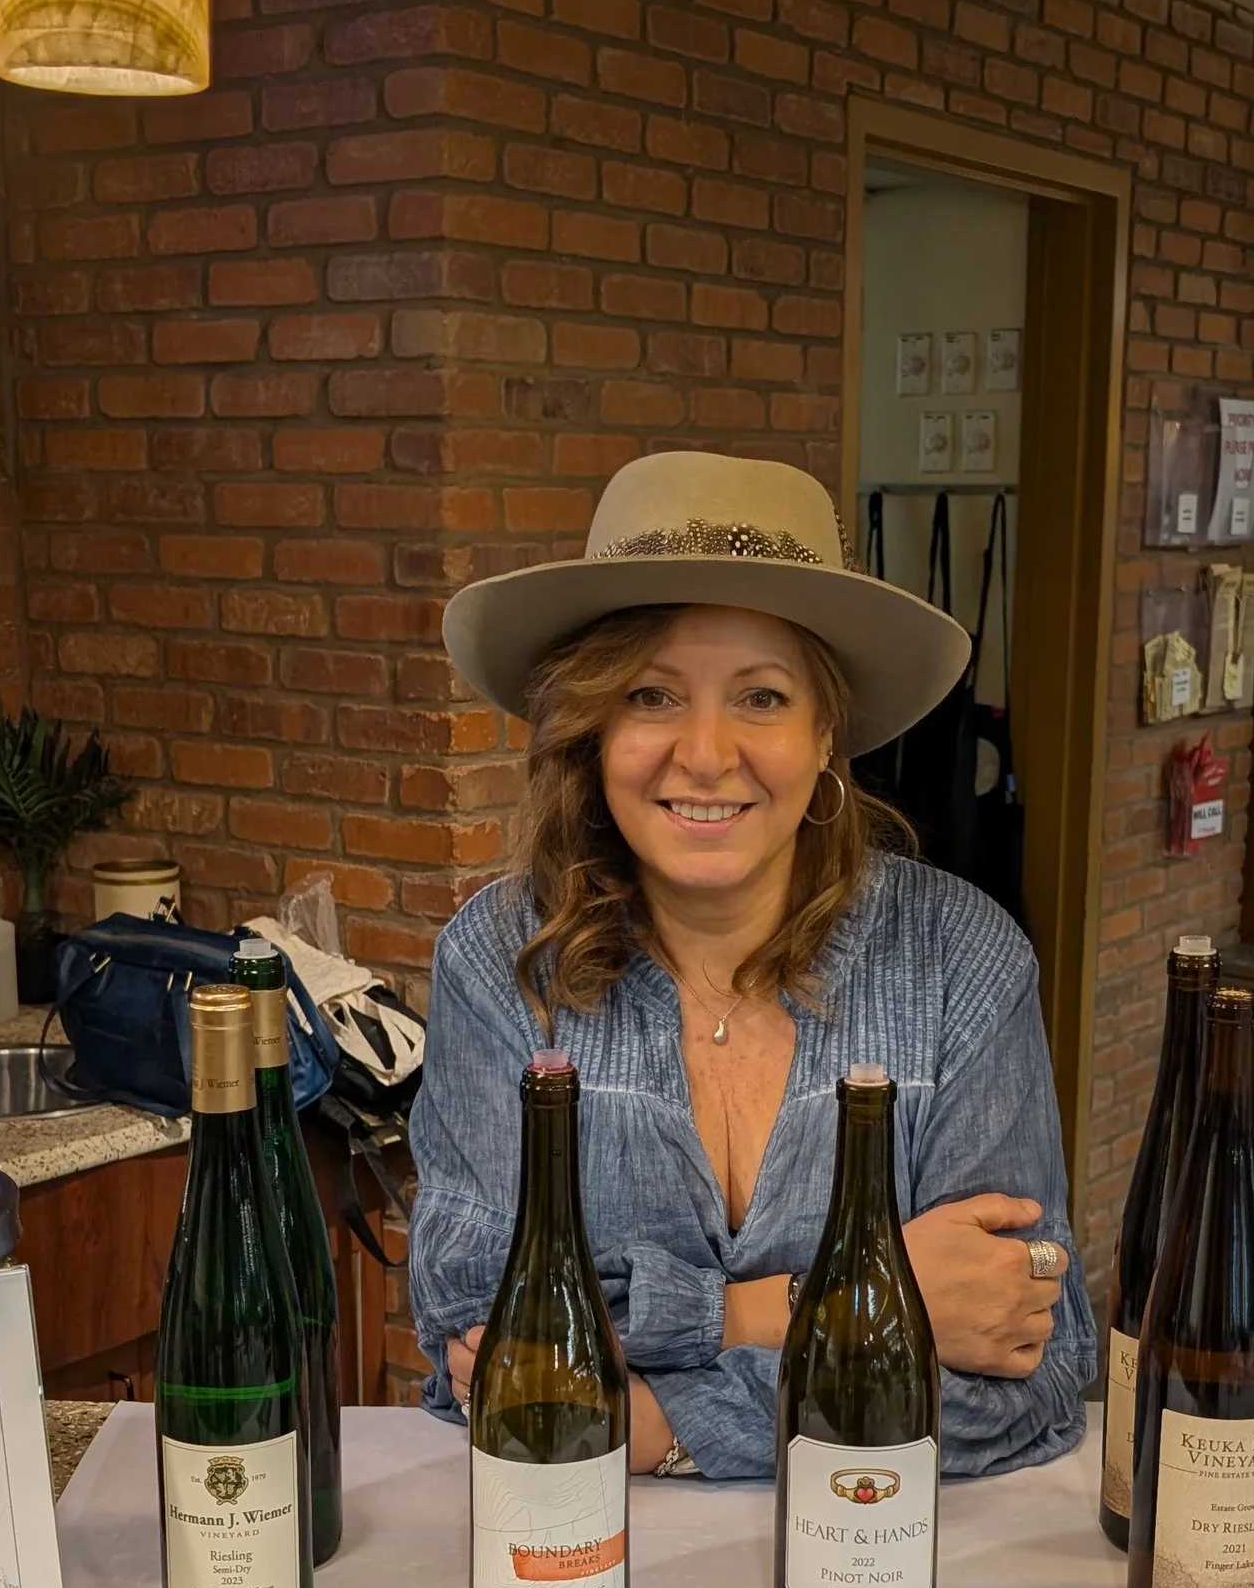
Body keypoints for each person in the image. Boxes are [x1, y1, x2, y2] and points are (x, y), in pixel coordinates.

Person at [409, 453, 1096, 1482]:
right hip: (570, 1569)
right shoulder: (500, 964)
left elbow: (1025, 1372)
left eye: (762, 697)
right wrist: (864, 1295)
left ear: (827, 733)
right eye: (650, 694)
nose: (706, 751)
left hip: (880, 1574)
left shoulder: (962, 960)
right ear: (594, 728)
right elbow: (478, 1339)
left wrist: (651, 1425)